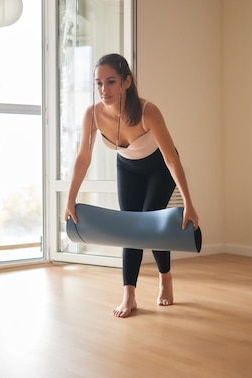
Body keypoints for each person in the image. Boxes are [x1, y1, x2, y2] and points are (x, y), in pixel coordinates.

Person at [64, 53, 199, 318]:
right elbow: (83, 158)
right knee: (130, 228)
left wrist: (189, 204)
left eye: (111, 82)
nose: (104, 90)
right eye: (99, 83)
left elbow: (171, 158)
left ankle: (165, 277)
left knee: (147, 224)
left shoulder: (148, 111)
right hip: (128, 168)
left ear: (127, 82)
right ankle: (129, 295)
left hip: (160, 167)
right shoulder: (93, 114)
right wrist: (70, 198)